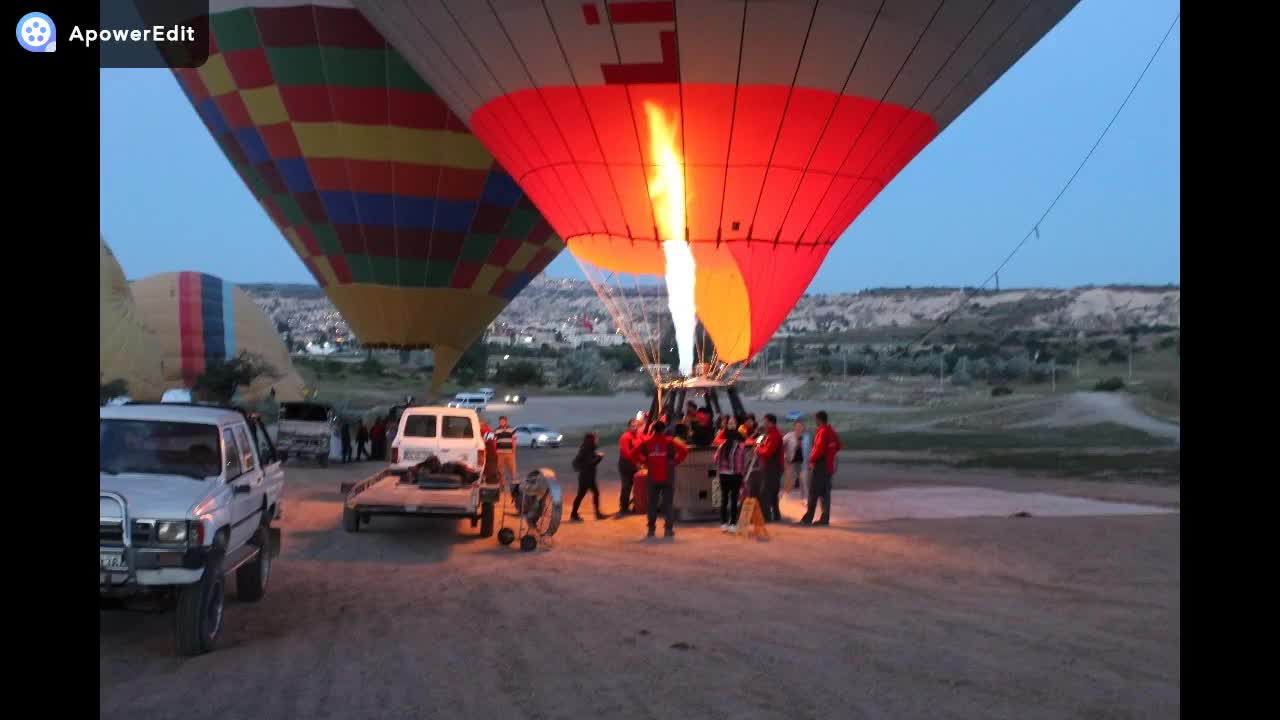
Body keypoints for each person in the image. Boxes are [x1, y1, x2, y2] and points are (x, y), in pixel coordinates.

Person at [626, 420, 689, 539]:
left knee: (652, 504)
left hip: (653, 477)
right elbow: (684, 450)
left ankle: (651, 530)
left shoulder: (647, 442)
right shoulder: (669, 441)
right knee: (668, 504)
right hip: (668, 476)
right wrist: (675, 462)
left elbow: (631, 454)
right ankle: (668, 530)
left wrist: (644, 461)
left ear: (653, 429)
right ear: (664, 430)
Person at [801, 410, 842, 526]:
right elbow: (838, 446)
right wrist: (830, 453)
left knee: (813, 492)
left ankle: (808, 518)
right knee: (825, 493)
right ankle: (825, 518)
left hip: (820, 466)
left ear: (819, 420)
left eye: (816, 419)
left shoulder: (822, 432)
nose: (815, 421)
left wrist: (811, 460)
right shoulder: (831, 431)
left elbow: (818, 449)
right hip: (829, 467)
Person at [714, 427, 748, 532]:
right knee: (734, 500)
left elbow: (715, 459)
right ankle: (733, 524)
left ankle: (723, 524)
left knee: (724, 499)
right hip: (735, 476)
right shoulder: (740, 448)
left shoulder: (721, 446)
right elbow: (743, 462)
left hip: (723, 476)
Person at [570, 433, 607, 521]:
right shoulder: (585, 450)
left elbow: (590, 463)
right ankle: (574, 514)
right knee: (581, 496)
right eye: (595, 439)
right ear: (591, 440)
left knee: (592, 494)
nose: (597, 440)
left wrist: (598, 457)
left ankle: (597, 514)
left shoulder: (589, 449)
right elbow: (589, 464)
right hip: (586, 478)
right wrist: (599, 457)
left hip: (588, 477)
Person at [756, 414, 785, 522]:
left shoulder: (774, 435)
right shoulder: (770, 433)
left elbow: (768, 451)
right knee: (773, 492)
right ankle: (776, 516)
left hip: (773, 468)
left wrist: (758, 450)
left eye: (765, 421)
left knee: (766, 492)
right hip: (773, 467)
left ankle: (766, 517)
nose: (764, 423)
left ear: (770, 422)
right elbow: (762, 443)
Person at [782, 419, 812, 501]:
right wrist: (784, 457)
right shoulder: (789, 436)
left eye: (801, 426)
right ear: (794, 427)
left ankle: (804, 498)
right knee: (789, 479)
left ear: (803, 427)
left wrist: (810, 461)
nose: (799, 428)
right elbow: (781, 446)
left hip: (803, 462)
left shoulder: (807, 437)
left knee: (804, 480)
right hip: (790, 461)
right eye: (797, 426)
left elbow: (809, 450)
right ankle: (785, 495)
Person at [616, 419, 641, 516]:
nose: (635, 428)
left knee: (636, 486)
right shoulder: (625, 437)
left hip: (635, 463)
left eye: (636, 426)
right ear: (628, 427)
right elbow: (627, 453)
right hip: (626, 464)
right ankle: (624, 507)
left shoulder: (638, 435)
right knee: (626, 486)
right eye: (633, 426)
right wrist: (637, 463)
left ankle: (635, 505)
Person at [493, 416, 519, 507]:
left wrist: (513, 451)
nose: (502, 423)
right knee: (500, 471)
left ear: (506, 422)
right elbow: (494, 442)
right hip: (500, 453)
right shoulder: (496, 430)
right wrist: (495, 451)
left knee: (513, 471)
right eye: (500, 421)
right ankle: (502, 486)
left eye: (503, 421)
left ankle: (514, 488)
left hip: (509, 453)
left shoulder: (511, 429)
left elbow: (514, 441)